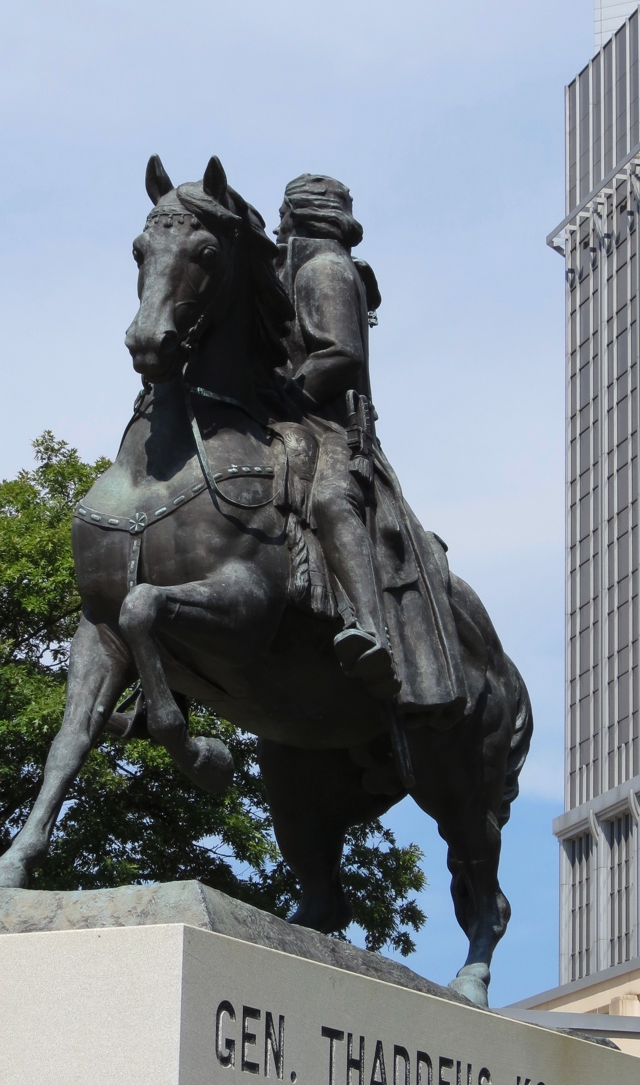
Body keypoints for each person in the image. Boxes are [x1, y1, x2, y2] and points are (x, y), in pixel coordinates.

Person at [274, 174, 397, 697]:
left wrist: (281, 397)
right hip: (283, 420)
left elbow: (341, 354)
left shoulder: (323, 268)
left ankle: (371, 629)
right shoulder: (285, 272)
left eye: (283, 213)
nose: (277, 223)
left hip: (328, 426)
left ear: (300, 215)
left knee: (329, 499)